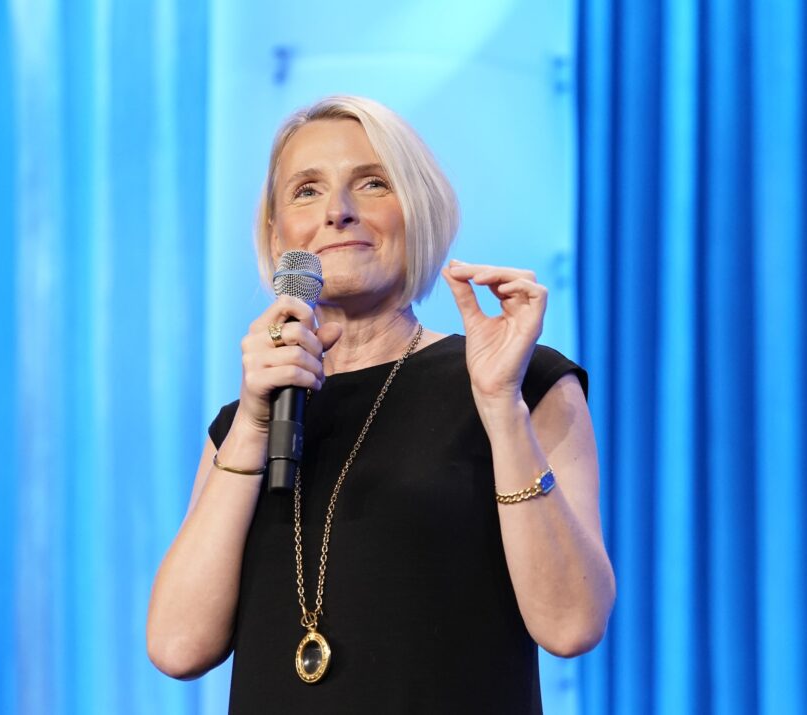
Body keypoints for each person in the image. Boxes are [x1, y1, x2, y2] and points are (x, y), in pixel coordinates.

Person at [147, 96, 615, 713]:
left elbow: (572, 624)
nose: (337, 211)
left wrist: (502, 409)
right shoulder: (246, 423)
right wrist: (253, 426)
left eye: (372, 183)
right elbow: (177, 647)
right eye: (307, 191)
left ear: (418, 212)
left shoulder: (519, 381)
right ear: (277, 234)